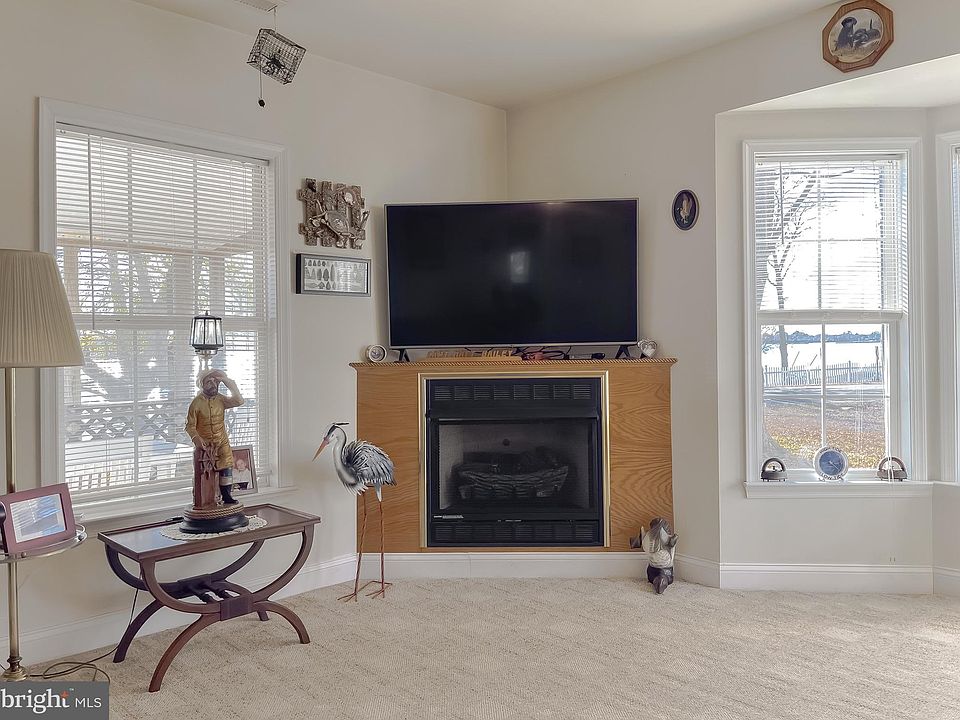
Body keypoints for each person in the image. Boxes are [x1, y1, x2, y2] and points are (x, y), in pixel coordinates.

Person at [185, 369, 245, 504]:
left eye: (215, 381)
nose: (213, 385)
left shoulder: (220, 399)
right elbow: (190, 426)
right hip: (205, 445)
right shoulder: (196, 403)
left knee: (227, 466)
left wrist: (228, 382)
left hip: (221, 441)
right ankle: (205, 501)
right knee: (204, 475)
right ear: (202, 384)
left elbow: (239, 401)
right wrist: (197, 440)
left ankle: (227, 496)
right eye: (209, 382)